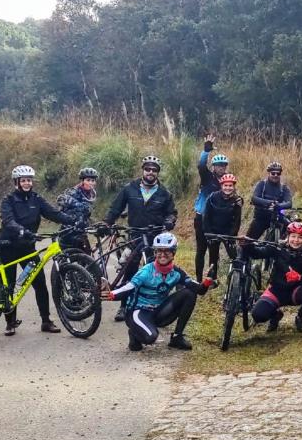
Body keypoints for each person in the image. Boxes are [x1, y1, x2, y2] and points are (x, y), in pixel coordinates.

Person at [0, 165, 77, 335]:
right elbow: (8, 220)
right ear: (17, 182)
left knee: (40, 284)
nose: (27, 183)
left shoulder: (36, 199)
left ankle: (46, 321)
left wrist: (72, 221)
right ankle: (10, 322)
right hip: (8, 247)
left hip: (28, 249)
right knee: (9, 286)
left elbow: (53, 213)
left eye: (29, 180)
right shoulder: (8, 200)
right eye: (23, 180)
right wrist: (21, 230)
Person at [102, 232, 215, 351]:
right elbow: (128, 287)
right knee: (150, 338)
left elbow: (199, 290)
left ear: (173, 253)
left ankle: (177, 337)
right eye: (159, 251)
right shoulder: (146, 271)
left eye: (167, 251)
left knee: (189, 293)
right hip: (138, 312)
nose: (162, 255)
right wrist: (112, 294)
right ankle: (134, 334)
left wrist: (207, 281)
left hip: (158, 312)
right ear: (155, 253)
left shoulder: (176, 273)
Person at [104, 155, 178, 321]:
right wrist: (107, 222)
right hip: (135, 235)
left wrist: (169, 222)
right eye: (147, 169)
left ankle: (156, 307)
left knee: (156, 272)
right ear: (143, 170)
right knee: (130, 271)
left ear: (157, 173)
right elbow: (116, 208)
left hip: (155, 238)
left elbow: (171, 213)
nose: (150, 172)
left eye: (154, 170)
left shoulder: (164, 193)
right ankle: (124, 307)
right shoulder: (130, 188)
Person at [240, 221, 302, 332]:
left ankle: (300, 318)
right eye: (293, 236)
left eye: (300, 237)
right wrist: (247, 245)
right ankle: (275, 315)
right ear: (288, 236)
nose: (296, 240)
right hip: (275, 291)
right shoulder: (277, 248)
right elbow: (257, 253)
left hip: (295, 292)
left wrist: (299, 277)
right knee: (258, 315)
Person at [193, 134, 229, 281]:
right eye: (218, 165)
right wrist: (206, 151)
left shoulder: (228, 180)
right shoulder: (207, 177)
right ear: (213, 167)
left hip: (217, 220)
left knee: (214, 251)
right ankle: (199, 278)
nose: (221, 168)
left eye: (223, 165)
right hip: (202, 217)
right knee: (201, 249)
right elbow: (201, 166)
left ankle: (212, 278)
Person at [201, 173, 242, 279]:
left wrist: (232, 234)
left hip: (228, 233)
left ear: (233, 187)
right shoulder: (212, 197)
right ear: (221, 185)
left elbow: (237, 220)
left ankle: (237, 277)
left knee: (234, 256)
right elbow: (206, 216)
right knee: (213, 257)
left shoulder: (237, 200)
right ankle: (212, 279)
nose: (228, 188)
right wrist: (208, 232)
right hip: (213, 231)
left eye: (230, 186)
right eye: (225, 185)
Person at [245, 161, 292, 240]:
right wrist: (269, 203)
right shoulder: (261, 184)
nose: (275, 175)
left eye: (278, 173)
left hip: (277, 217)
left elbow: (289, 203)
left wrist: (278, 206)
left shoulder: (284, 188)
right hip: (261, 218)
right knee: (248, 241)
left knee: (289, 228)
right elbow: (254, 198)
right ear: (269, 173)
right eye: (273, 173)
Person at [56, 167, 99, 252]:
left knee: (87, 260)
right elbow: (60, 199)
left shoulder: (90, 194)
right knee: (66, 260)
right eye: (88, 180)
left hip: (81, 232)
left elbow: (85, 213)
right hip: (68, 232)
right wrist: (78, 205)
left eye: (93, 180)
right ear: (82, 181)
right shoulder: (74, 191)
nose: (91, 183)